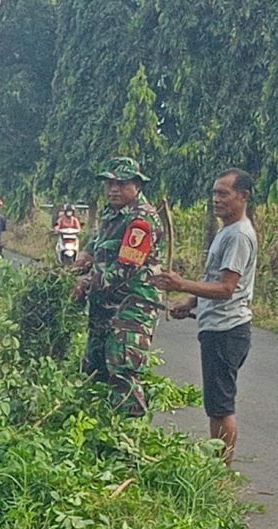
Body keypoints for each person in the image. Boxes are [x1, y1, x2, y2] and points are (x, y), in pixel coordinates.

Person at [151, 169, 257, 464]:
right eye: (214, 193)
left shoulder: (237, 235)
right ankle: (216, 466)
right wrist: (190, 301)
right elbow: (215, 278)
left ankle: (220, 473)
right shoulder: (226, 231)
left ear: (243, 197)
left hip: (227, 330)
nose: (216, 199)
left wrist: (180, 283)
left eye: (224, 193)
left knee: (221, 407)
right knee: (215, 404)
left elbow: (226, 288)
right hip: (217, 326)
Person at [72, 157, 164, 417]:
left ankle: (127, 442)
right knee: (94, 369)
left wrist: (86, 283)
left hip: (131, 308)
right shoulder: (111, 212)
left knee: (122, 371)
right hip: (104, 305)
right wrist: (83, 259)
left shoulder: (141, 221)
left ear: (136, 185)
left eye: (120, 183)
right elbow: (97, 242)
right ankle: (97, 431)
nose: (113, 189)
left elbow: (125, 270)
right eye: (109, 183)